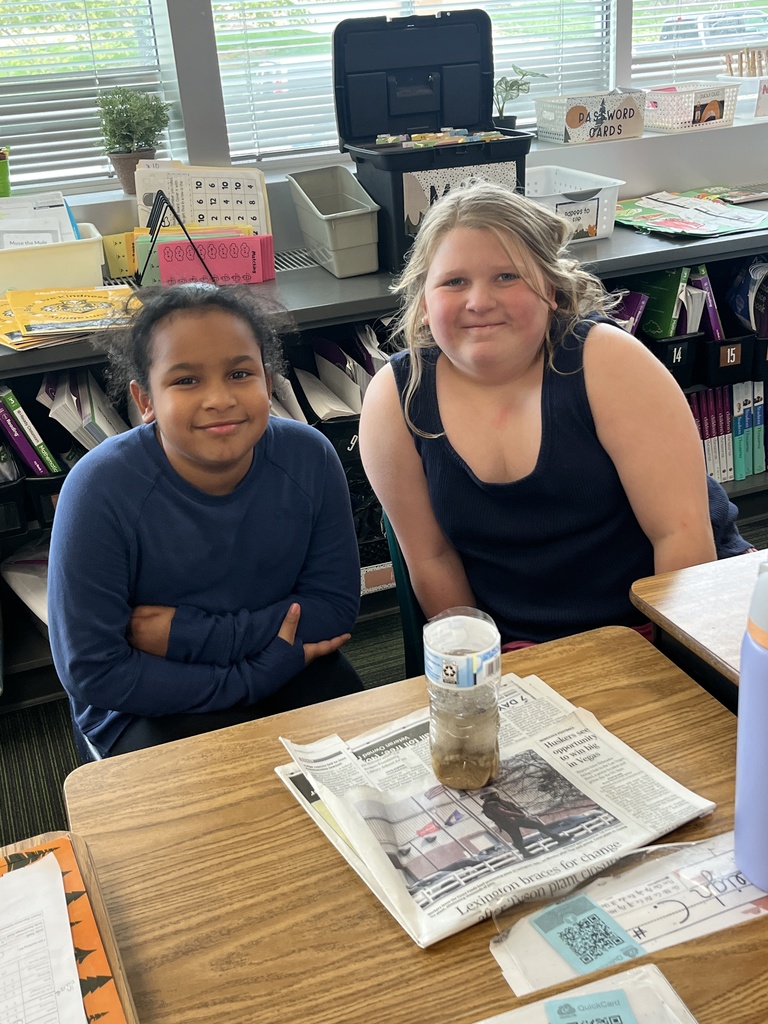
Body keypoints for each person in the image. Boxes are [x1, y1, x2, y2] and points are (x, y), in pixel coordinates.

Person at [359, 179, 751, 646]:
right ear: (424, 303)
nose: (479, 301)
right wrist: (484, 665)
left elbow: (681, 538)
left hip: (671, 617)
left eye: (507, 276)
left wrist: (666, 670)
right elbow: (432, 559)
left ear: (553, 291)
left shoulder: (609, 362)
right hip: (520, 644)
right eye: (454, 281)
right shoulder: (396, 400)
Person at [48, 283, 363, 758]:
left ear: (268, 383)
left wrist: (184, 635)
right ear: (145, 400)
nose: (219, 398)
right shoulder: (98, 490)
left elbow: (334, 609)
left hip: (287, 662)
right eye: (186, 381)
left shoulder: (310, 457)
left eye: (240, 373)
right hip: (147, 698)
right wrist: (253, 676)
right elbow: (95, 670)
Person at [480, 791, 570, 859]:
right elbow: (504, 812)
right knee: (518, 837)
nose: (495, 795)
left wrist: (520, 810)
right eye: (492, 794)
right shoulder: (491, 805)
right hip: (510, 822)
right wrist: (522, 815)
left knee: (536, 827)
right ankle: (525, 852)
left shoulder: (498, 802)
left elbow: (509, 808)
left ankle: (558, 838)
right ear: (487, 797)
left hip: (514, 821)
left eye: (494, 793)